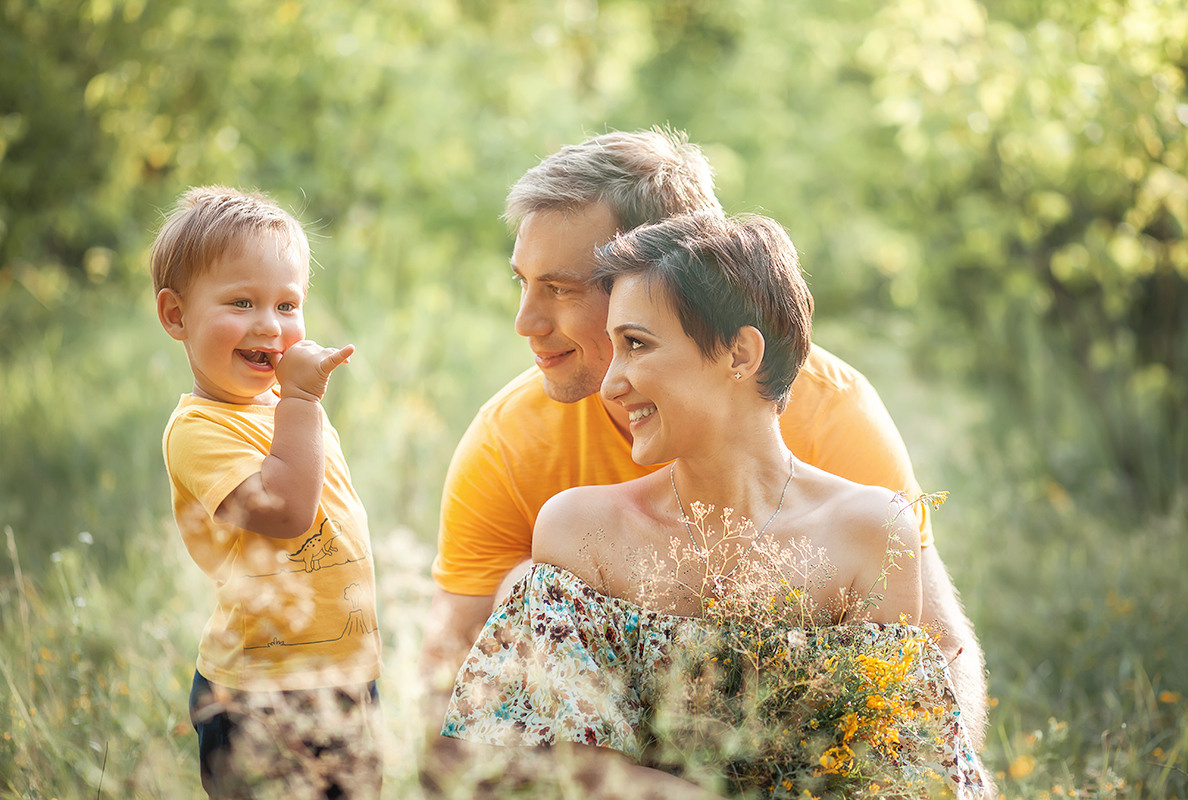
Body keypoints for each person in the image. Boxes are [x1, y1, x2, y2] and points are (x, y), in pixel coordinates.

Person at [420, 128, 989, 754]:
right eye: (521, 283)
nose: (525, 321)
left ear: (671, 272)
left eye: (560, 288)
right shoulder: (510, 440)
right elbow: (450, 703)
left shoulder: (832, 414)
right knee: (526, 588)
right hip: (611, 773)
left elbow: (934, 661)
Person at [152, 186, 382, 799]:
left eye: (287, 304)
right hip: (260, 689)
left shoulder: (281, 409)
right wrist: (303, 402)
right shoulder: (199, 430)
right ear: (176, 315)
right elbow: (286, 511)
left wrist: (296, 405)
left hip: (344, 675)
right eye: (242, 302)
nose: (270, 325)